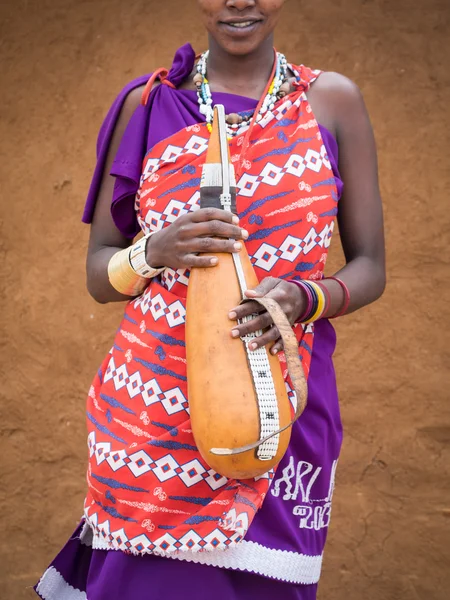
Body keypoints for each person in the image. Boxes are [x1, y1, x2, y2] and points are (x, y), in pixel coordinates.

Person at [35, 1, 385, 598]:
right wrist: (154, 250)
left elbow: (371, 266)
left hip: (283, 412)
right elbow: (99, 274)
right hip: (153, 421)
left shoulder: (332, 102)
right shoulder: (145, 105)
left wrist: (305, 297)